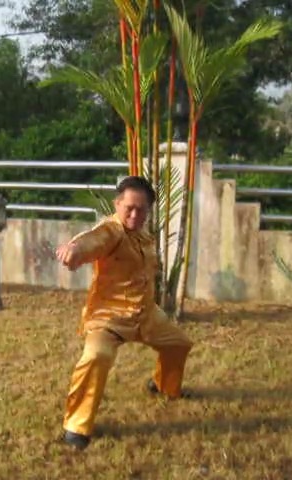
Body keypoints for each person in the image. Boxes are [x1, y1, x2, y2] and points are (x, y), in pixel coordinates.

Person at [55, 175, 194, 450]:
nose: (134, 213)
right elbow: (91, 240)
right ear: (117, 204)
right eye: (128, 207)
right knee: (96, 355)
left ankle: (163, 385)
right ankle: (76, 428)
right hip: (109, 317)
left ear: (148, 211)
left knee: (179, 344)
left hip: (145, 314)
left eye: (141, 209)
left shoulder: (143, 235)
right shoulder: (111, 231)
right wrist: (74, 249)